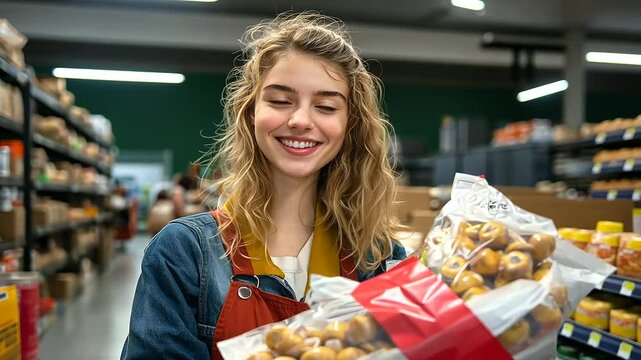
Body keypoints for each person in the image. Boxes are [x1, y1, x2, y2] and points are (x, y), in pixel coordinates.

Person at [121, 11, 406, 359]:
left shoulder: (377, 257)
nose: (301, 120)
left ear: (350, 124)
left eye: (326, 106)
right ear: (251, 112)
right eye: (280, 101)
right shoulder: (185, 253)